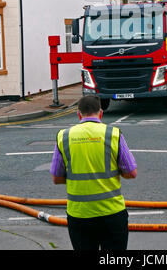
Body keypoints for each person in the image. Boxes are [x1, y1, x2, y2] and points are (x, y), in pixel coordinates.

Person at [50, 95, 137, 250]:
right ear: (101, 113)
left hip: (79, 215)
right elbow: (131, 172)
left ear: (78, 114)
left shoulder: (64, 136)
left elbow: (56, 178)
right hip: (112, 214)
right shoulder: (113, 134)